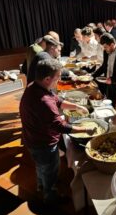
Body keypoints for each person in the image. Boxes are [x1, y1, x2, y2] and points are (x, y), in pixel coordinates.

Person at [20, 59, 94, 205]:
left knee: (41, 166)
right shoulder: (44, 101)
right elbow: (61, 127)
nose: (59, 80)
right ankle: (50, 196)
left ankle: (41, 184)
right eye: (57, 77)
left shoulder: (34, 86)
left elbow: (57, 100)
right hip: (43, 143)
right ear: (47, 79)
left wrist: (77, 107)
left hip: (32, 139)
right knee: (50, 170)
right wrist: (87, 129)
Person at [93, 33, 116, 106]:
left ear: (112, 44)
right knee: (110, 104)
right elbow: (104, 66)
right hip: (108, 84)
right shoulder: (106, 51)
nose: (104, 49)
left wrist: (113, 80)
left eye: (106, 47)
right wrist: (92, 76)